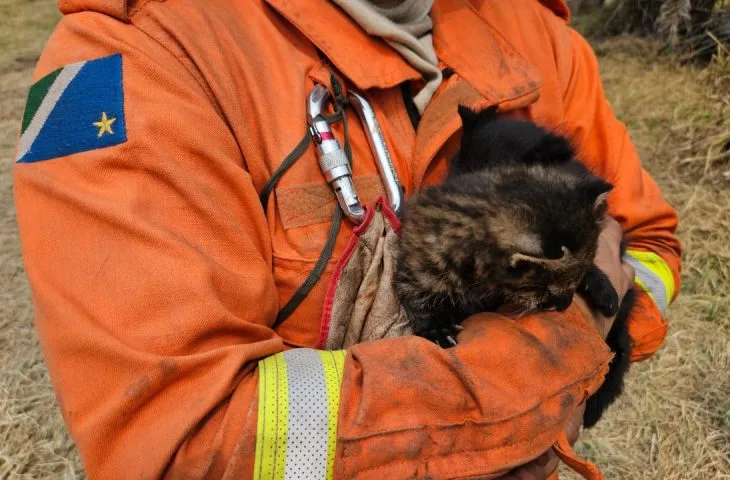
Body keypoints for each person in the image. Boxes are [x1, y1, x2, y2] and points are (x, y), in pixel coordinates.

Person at [13, 0, 680, 478]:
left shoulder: (539, 34)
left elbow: (649, 245)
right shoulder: (122, 60)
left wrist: (603, 332)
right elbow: (180, 444)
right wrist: (569, 343)